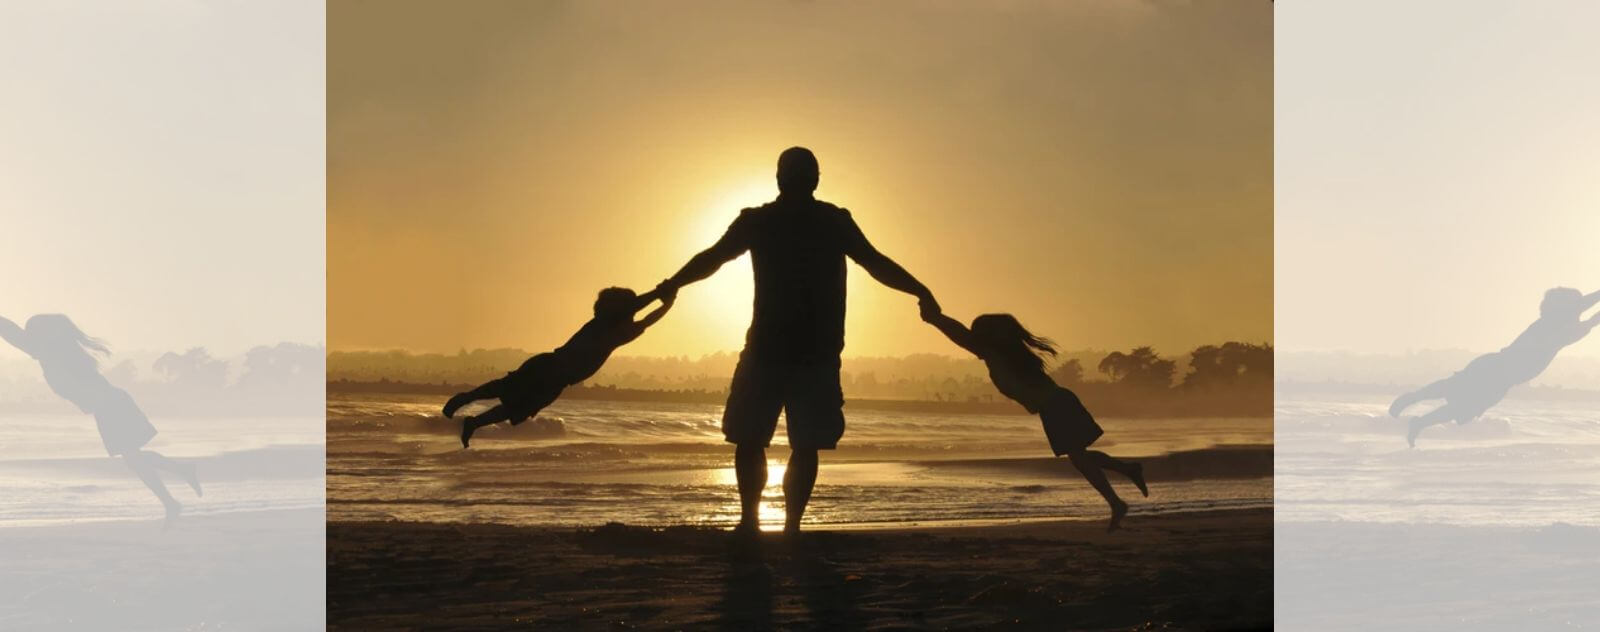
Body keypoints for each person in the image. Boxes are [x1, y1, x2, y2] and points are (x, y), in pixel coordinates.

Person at [654, 147, 937, 536]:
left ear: (779, 178)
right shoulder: (828, 222)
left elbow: (713, 258)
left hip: (777, 351)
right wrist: (919, 290)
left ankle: (753, 522)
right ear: (815, 179)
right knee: (798, 443)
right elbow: (875, 262)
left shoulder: (767, 221)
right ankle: (787, 528)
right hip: (809, 353)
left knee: (754, 439)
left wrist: (672, 285)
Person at [922, 308, 1148, 531]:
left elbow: (959, 334)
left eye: (977, 333)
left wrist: (936, 318)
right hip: (1058, 403)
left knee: (1078, 457)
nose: (973, 339)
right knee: (1080, 456)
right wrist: (935, 317)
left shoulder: (998, 355)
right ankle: (1126, 475)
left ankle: (1118, 500)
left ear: (987, 337)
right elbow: (964, 336)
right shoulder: (1011, 354)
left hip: (1056, 405)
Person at [0, 314, 201, 527]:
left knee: (133, 458)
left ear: (42, 334)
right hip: (111, 405)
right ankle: (178, 482)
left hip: (111, 405)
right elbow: (13, 333)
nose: (27, 335)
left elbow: (11, 332)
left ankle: (174, 494)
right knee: (133, 458)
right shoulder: (59, 351)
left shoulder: (50, 352)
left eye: (30, 331)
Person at [443, 287, 673, 447]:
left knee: (517, 410)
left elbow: (647, 320)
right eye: (628, 310)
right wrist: (658, 295)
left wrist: (666, 303)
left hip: (558, 381)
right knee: (505, 387)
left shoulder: (620, 334)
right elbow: (637, 309)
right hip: (549, 366)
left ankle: (473, 423)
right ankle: (465, 398)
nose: (632, 314)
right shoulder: (600, 325)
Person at [1391, 287, 1599, 447]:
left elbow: (1587, 310)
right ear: (1564, 308)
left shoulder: (1561, 324)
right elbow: (1588, 313)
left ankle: (1419, 421)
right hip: (1498, 369)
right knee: (1456, 392)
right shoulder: (1555, 326)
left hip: (1503, 376)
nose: (1578, 307)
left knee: (1462, 405)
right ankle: (1414, 403)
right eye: (1574, 304)